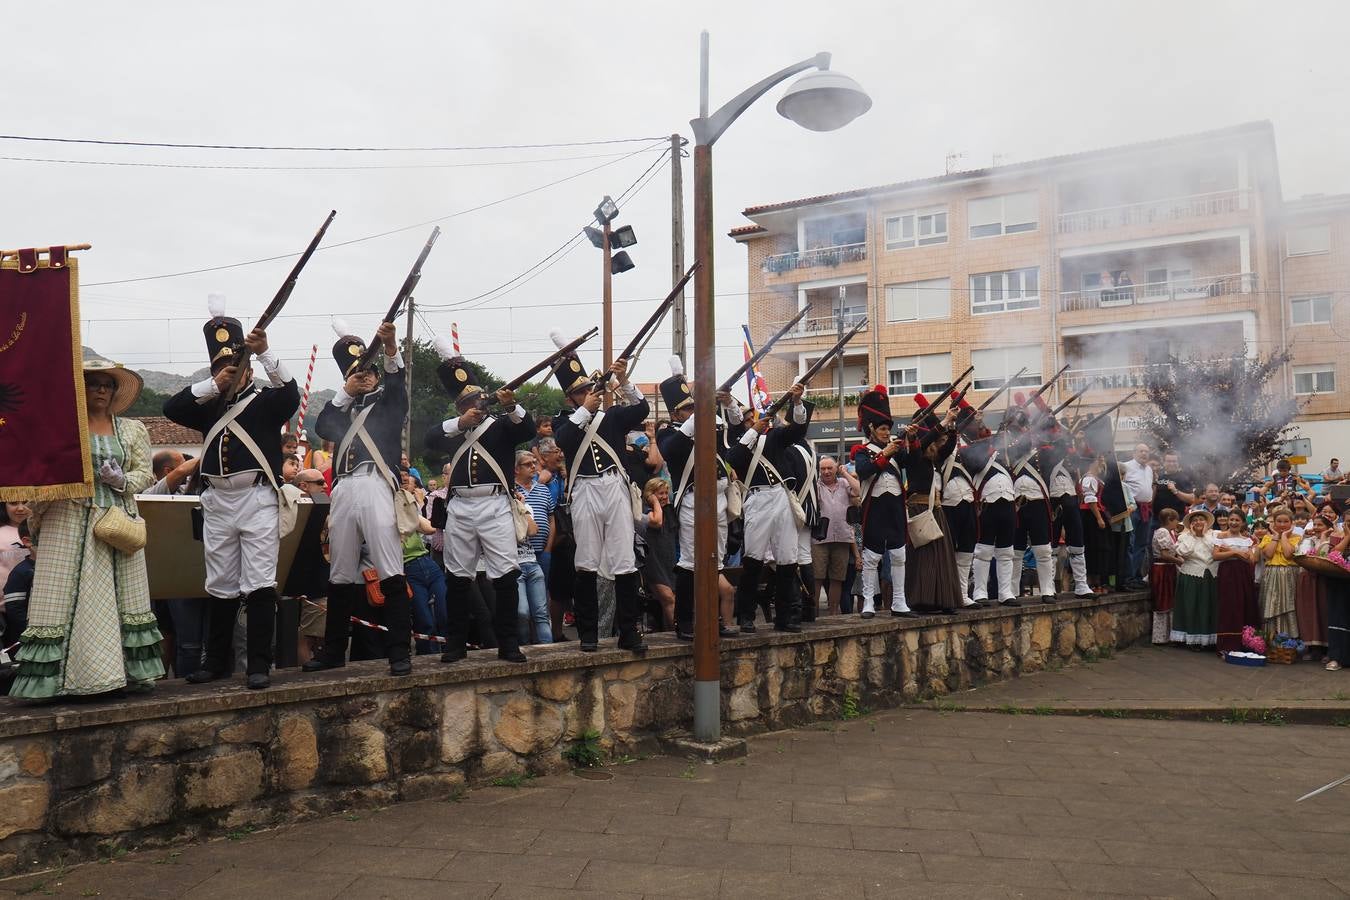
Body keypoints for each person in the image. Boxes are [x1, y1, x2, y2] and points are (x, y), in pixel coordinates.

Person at [162, 303, 299, 689]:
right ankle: (217, 663)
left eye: (236, 368)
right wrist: (213, 385)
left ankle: (258, 664)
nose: (230, 374)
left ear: (249, 371)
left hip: (255, 498)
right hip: (218, 501)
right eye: (221, 368)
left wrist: (266, 351)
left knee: (258, 582)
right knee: (220, 582)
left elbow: (290, 394)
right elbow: (170, 408)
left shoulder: (266, 403)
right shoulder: (208, 407)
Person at [11, 360, 165, 698]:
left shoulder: (132, 430)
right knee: (60, 598)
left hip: (115, 521)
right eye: (93, 382)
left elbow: (144, 473)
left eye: (107, 384)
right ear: (78, 388)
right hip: (66, 518)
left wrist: (121, 479)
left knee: (117, 597)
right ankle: (55, 683)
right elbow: (38, 470)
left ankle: (121, 675)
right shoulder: (57, 427)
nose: (101, 389)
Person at [302, 320, 413, 677]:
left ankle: (399, 653)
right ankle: (335, 651)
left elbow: (398, 388)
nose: (363, 377)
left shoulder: (388, 402)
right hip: (345, 487)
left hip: (376, 483)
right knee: (341, 572)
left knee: (390, 568)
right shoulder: (343, 407)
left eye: (367, 371)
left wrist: (391, 347)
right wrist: (346, 390)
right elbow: (321, 426)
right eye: (355, 372)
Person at [425, 348, 534, 664]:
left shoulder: (501, 426)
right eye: (467, 404)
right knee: (458, 578)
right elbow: (429, 439)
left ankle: (509, 643)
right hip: (460, 506)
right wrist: (460, 422)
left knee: (505, 576)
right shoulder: (453, 430)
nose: (475, 406)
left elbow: (526, 430)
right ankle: (455, 644)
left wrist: (511, 404)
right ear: (460, 408)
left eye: (478, 401)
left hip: (495, 503)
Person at [550, 336, 648, 653]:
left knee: (624, 560)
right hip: (585, 488)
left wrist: (624, 380)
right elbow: (564, 440)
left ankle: (629, 631)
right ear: (570, 398)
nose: (586, 394)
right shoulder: (563, 420)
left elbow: (641, 409)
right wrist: (585, 411)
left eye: (587, 389)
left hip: (614, 486)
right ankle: (589, 634)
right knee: (587, 561)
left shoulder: (612, 417)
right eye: (579, 392)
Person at [657, 356, 741, 641]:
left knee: (715, 560)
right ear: (676, 414)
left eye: (694, 407)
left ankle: (712, 617)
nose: (693, 412)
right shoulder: (668, 432)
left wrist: (727, 404)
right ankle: (685, 621)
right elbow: (672, 452)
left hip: (718, 498)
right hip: (692, 500)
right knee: (691, 562)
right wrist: (700, 413)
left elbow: (737, 435)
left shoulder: (710, 426)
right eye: (687, 409)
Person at [727, 385, 809, 632]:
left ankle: (786, 616)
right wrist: (752, 431)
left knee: (787, 559)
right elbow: (734, 459)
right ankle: (746, 616)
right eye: (749, 420)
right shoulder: (737, 443)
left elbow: (797, 431)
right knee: (753, 559)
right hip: (757, 499)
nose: (755, 422)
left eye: (755, 418)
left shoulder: (773, 437)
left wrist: (796, 403)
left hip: (782, 497)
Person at [853, 385, 920, 618]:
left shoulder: (896, 449)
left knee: (899, 554)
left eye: (887, 428)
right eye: (882, 428)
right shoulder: (861, 451)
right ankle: (869, 602)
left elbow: (913, 460)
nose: (885, 432)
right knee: (872, 557)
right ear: (871, 428)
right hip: (875, 509)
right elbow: (863, 471)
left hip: (895, 508)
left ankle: (899, 602)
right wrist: (885, 454)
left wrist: (912, 438)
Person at [903, 398, 968, 613]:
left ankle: (943, 600)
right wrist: (944, 420)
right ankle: (922, 601)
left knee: (942, 559)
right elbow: (925, 440)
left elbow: (949, 443)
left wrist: (951, 423)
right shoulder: (913, 453)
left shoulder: (934, 457)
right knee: (924, 560)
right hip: (919, 510)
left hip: (936, 509)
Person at [400, 468, 447, 655]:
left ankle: (448, 651)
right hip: (408, 568)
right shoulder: (385, 506)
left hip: (427, 563)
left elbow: (429, 529)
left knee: (445, 611)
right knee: (424, 620)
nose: (405, 482)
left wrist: (420, 506)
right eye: (402, 480)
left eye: (406, 480)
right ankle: (427, 657)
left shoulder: (407, 505)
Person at [286, 468, 331, 665]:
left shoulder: (319, 509)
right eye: (320, 482)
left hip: (319, 579)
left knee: (318, 635)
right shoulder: (292, 507)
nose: (326, 485)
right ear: (303, 486)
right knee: (307, 636)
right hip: (306, 583)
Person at [512, 451, 553, 645]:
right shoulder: (509, 492)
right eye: (528, 464)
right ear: (516, 469)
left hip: (539, 555)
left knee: (541, 609)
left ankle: (547, 651)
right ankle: (525, 648)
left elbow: (547, 521)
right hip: (516, 561)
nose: (533, 467)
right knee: (522, 611)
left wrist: (548, 549)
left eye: (534, 463)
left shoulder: (543, 489)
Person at [812, 456, 860, 616]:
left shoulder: (844, 483)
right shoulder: (815, 486)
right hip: (820, 538)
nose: (826, 472)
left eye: (829, 468)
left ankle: (833, 613)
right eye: (823, 469)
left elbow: (859, 490)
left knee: (837, 578)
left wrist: (845, 473)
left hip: (842, 536)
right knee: (817, 577)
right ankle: (814, 612)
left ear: (836, 468)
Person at [1213, 511, 1259, 653]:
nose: (1233, 522)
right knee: (1229, 606)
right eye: (1231, 519)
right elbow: (1216, 555)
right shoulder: (1220, 536)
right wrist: (1236, 553)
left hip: (1244, 574)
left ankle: (1246, 642)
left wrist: (1231, 551)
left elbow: (1251, 560)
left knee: (1245, 604)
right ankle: (1227, 644)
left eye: (1237, 520)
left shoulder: (1247, 540)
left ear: (1243, 522)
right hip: (1227, 573)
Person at [1172, 509, 1218, 647]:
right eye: (1195, 520)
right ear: (1190, 524)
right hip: (1192, 575)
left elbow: (1216, 550)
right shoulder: (1184, 537)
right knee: (1192, 606)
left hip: (1211, 575)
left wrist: (1204, 535)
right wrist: (1192, 535)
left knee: (1209, 607)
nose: (1198, 522)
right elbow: (1183, 552)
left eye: (1201, 519)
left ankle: (1209, 640)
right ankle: (1192, 640)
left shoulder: (1215, 535)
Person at [1294, 512, 1333, 661]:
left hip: (1324, 580)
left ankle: (1327, 648)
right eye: (1315, 524)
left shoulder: (1332, 540)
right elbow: (1301, 556)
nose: (1316, 527)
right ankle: (1313, 648)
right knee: (1309, 613)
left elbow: (1321, 557)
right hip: (1308, 578)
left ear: (1328, 527)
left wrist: (1324, 538)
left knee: (1324, 612)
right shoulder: (1307, 540)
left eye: (1320, 525)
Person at [639, 478, 676, 629]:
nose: (665, 496)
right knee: (669, 600)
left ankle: (670, 631)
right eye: (660, 493)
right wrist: (654, 501)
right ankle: (677, 632)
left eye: (666, 493)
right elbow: (657, 522)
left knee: (674, 600)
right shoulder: (646, 513)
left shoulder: (669, 512)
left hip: (669, 562)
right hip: (653, 564)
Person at [1258, 507, 1300, 637]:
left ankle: (1288, 639)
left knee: (1288, 604)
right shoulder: (1267, 537)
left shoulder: (1297, 537)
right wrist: (1276, 537)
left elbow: (1288, 554)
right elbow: (1269, 554)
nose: (1282, 524)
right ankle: (1270, 638)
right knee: (1269, 603)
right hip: (1271, 572)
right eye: (1279, 521)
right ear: (1273, 523)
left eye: (1285, 521)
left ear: (1291, 523)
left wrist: (1285, 537)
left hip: (1289, 573)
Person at [1121, 443, 1155, 588]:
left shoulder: (1149, 469)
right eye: (1141, 451)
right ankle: (1127, 577)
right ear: (1134, 452)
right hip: (1132, 508)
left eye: (1146, 451)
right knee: (1130, 543)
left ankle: (1136, 576)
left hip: (1146, 508)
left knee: (1142, 543)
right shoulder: (1126, 466)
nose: (1144, 454)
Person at [1080, 455, 1113, 594]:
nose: (1102, 464)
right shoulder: (1089, 478)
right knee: (1095, 547)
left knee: (1100, 548)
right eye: (1099, 462)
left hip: (1095, 514)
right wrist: (1099, 518)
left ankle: (1098, 581)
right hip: (1090, 517)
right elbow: (1090, 500)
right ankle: (1093, 583)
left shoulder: (1095, 478)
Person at [1149, 508, 1183, 643]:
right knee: (1163, 600)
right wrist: (1179, 561)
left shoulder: (1170, 532)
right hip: (1162, 569)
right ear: (1169, 520)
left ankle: (1168, 635)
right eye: (1175, 520)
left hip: (1168, 569)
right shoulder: (1163, 532)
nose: (1177, 523)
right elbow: (1164, 554)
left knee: (1169, 599)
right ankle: (1160, 636)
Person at [0, 502, 33, 598]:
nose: (20, 508)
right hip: (4, 603)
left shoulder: (43, 531)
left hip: (36, 600)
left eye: (26, 501)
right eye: (13, 503)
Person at [1152, 452, 1196, 522]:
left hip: (1175, 519)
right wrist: (1154, 483)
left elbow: (1191, 499)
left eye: (1174, 461)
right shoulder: (1158, 476)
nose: (1171, 464)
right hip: (1157, 519)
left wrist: (1175, 491)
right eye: (1169, 461)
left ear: (1178, 463)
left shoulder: (1183, 478)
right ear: (1164, 462)